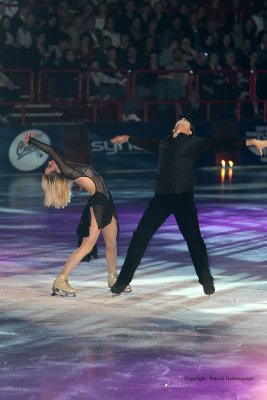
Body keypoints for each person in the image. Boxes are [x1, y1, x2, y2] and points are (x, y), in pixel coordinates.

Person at [110, 118, 267, 297]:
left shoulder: (195, 143)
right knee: (140, 237)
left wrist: (252, 141)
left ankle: (206, 279)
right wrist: (128, 137)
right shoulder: (163, 143)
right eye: (180, 119)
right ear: (174, 127)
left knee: (194, 241)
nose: (183, 119)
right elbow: (146, 142)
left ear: (189, 131)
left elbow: (223, 143)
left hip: (183, 199)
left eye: (186, 121)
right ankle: (122, 282)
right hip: (161, 200)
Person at [23, 133, 130, 296]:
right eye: (49, 166)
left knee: (112, 243)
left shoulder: (67, 166)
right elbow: (51, 151)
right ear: (56, 172)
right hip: (99, 204)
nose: (50, 162)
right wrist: (31, 141)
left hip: (108, 201)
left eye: (49, 164)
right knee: (87, 246)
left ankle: (112, 278)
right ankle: (61, 279)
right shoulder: (66, 169)